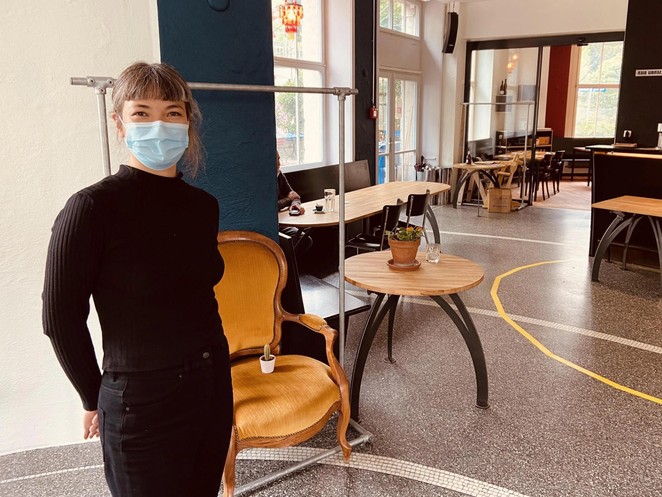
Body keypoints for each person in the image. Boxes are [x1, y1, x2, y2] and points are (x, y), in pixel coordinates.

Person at [42, 62, 233, 497]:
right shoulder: (92, 208)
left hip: (210, 386)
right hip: (140, 400)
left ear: (187, 122)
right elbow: (60, 317)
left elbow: (197, 294)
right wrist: (92, 395)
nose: (159, 125)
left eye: (172, 112)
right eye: (142, 113)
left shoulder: (202, 206)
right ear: (119, 123)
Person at [277, 151, 313, 255]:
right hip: (274, 227)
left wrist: (295, 205)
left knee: (308, 235)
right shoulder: (263, 181)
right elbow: (270, 206)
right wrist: (288, 200)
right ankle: (287, 264)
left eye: (279, 159)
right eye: (276, 160)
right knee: (304, 239)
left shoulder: (279, 174)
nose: (279, 163)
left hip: (284, 221)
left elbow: (295, 196)